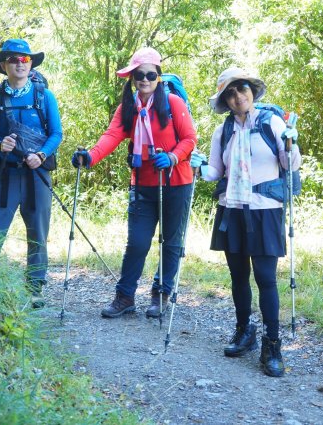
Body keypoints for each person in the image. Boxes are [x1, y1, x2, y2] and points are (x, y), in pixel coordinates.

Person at [190, 67, 301, 377]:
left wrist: (291, 143)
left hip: (265, 209)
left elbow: (289, 164)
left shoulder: (272, 123)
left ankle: (272, 345)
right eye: (231, 93)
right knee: (238, 276)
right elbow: (216, 172)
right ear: (226, 100)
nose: (238, 96)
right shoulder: (222, 131)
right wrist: (199, 167)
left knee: (265, 278)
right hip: (232, 209)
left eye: (242, 89)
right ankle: (244, 332)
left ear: (252, 91)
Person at [71, 47, 196, 319]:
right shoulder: (127, 107)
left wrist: (173, 157)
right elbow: (112, 135)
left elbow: (190, 139)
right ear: (132, 77)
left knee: (170, 243)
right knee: (137, 243)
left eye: (151, 74)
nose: (145, 79)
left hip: (176, 183)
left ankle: (161, 295)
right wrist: (90, 157)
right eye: (139, 74)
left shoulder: (173, 103)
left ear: (159, 76)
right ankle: (125, 296)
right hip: (142, 184)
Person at [0, 39, 63, 308]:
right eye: (14, 60)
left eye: (24, 60)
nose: (20, 64)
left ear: (30, 64)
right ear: (4, 65)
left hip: (36, 173)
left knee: (37, 229)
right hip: (5, 174)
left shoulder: (44, 97)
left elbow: (56, 133)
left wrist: (41, 155)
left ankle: (35, 288)